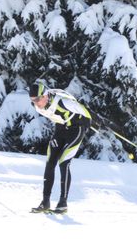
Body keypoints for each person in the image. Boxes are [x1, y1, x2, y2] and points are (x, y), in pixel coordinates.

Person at [29, 82, 92, 214]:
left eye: (38, 99)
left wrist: (90, 125)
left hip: (77, 128)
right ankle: (45, 202)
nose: (36, 103)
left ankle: (63, 203)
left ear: (45, 95)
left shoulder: (63, 102)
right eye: (33, 100)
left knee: (64, 162)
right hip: (61, 129)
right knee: (50, 161)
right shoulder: (37, 106)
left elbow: (87, 114)